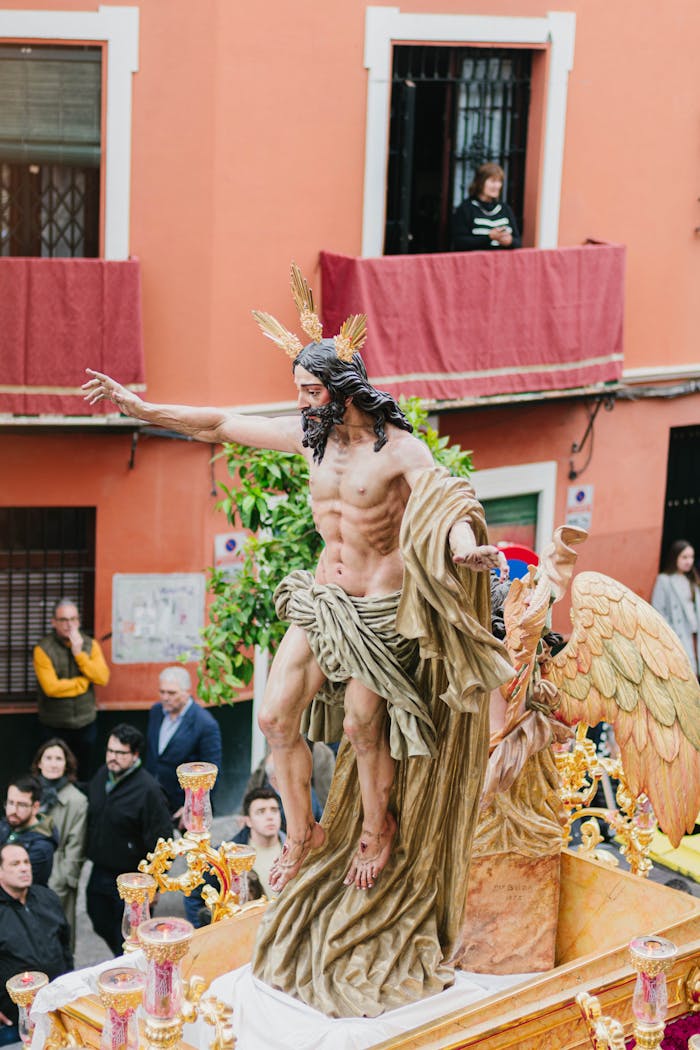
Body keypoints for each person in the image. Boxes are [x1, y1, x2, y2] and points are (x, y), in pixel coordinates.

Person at [82, 265, 512, 897]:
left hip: (380, 607)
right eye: (300, 391)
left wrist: (467, 548)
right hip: (324, 598)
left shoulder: (398, 450)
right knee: (276, 718)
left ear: (343, 388)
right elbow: (221, 424)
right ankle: (301, 833)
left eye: (311, 390)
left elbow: (443, 503)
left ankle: (375, 829)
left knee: (363, 727)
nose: (302, 402)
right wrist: (146, 409)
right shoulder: (310, 442)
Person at [86, 724, 173, 956]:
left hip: (133, 877)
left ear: (135, 755)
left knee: (130, 936)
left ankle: (127, 972)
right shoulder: (102, 775)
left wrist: (155, 884)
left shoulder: (149, 790)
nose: (112, 758)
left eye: (120, 753)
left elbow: (164, 843)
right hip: (101, 869)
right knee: (97, 915)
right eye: (110, 751)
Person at [0, 843, 72, 1045]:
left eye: (26, 862)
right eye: (15, 864)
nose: (24, 868)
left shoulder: (47, 898)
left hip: (58, 1009)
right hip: (15, 1021)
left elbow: (65, 945)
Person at [33, 598, 110, 780]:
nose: (69, 624)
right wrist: (81, 684)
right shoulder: (43, 649)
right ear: (54, 622)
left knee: (84, 774)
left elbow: (102, 677)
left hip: (85, 723)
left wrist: (79, 654)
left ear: (79, 621)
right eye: (64, 620)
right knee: (52, 773)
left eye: (73, 619)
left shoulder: (90, 645)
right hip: (54, 724)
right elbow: (51, 688)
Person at [145, 666, 223, 824]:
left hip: (182, 808)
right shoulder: (156, 711)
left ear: (187, 692)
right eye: (162, 692)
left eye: (171, 693)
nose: (165, 697)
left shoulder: (205, 724)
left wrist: (193, 806)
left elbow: (212, 771)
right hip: (153, 800)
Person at [31, 737, 88, 949]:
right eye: (48, 758)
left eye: (58, 758)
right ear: (39, 762)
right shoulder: (30, 792)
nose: (53, 764)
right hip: (27, 873)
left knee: (57, 939)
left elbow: (76, 847)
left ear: (66, 764)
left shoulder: (77, 800)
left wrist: (63, 880)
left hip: (57, 878)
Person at [651, 539, 700, 674]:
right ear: (675, 557)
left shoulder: (692, 581)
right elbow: (658, 612)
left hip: (693, 636)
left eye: (691, 557)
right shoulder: (664, 580)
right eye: (684, 557)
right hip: (677, 636)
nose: (689, 561)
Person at [452, 161, 522, 251]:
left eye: (499, 181)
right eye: (493, 181)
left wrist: (510, 241)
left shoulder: (505, 209)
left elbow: (518, 242)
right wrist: (489, 237)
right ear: (480, 183)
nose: (497, 186)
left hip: (502, 263)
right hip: (476, 262)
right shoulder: (466, 208)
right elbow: (460, 242)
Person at [0, 775, 57, 886]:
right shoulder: (7, 824)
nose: (13, 810)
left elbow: (10, 883)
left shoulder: (41, 847)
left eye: (21, 805)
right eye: (10, 803)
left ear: (35, 807)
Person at [233, 788, 286, 898]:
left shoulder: (297, 849)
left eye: (274, 810)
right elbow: (195, 897)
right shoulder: (232, 853)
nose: (270, 817)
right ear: (248, 821)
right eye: (261, 812)